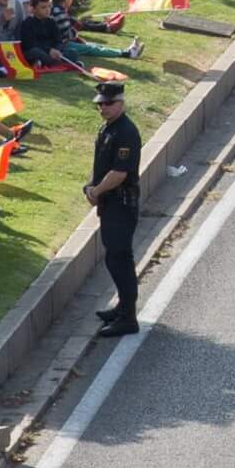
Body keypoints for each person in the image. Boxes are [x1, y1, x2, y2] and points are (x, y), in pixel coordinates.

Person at [85, 82, 143, 337]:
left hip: (120, 202)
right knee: (114, 256)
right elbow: (101, 165)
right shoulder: (108, 128)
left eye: (108, 104)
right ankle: (122, 307)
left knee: (120, 258)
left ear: (121, 103)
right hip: (110, 203)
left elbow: (119, 173)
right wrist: (91, 186)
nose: (103, 108)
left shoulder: (126, 133)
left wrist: (96, 191)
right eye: (100, 104)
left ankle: (128, 317)